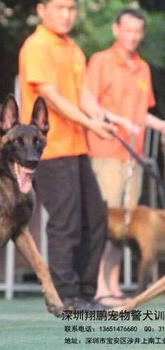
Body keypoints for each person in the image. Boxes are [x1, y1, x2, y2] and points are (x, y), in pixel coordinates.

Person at [18, 0, 138, 310]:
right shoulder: (37, 46)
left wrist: (107, 119)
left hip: (76, 146)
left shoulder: (73, 49)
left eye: (71, 8)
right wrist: (91, 124)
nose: (66, 14)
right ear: (42, 9)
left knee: (95, 219)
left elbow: (83, 93)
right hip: (48, 149)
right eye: (60, 7)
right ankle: (64, 297)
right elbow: (52, 98)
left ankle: (85, 294)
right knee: (66, 222)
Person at [86, 8, 165, 307]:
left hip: (134, 156)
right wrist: (121, 121)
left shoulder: (142, 68)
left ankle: (113, 283)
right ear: (117, 29)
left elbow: (141, 113)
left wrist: (159, 124)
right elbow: (90, 104)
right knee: (106, 222)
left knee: (126, 225)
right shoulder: (101, 62)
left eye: (137, 32)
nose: (132, 36)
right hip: (107, 151)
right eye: (127, 30)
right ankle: (97, 286)